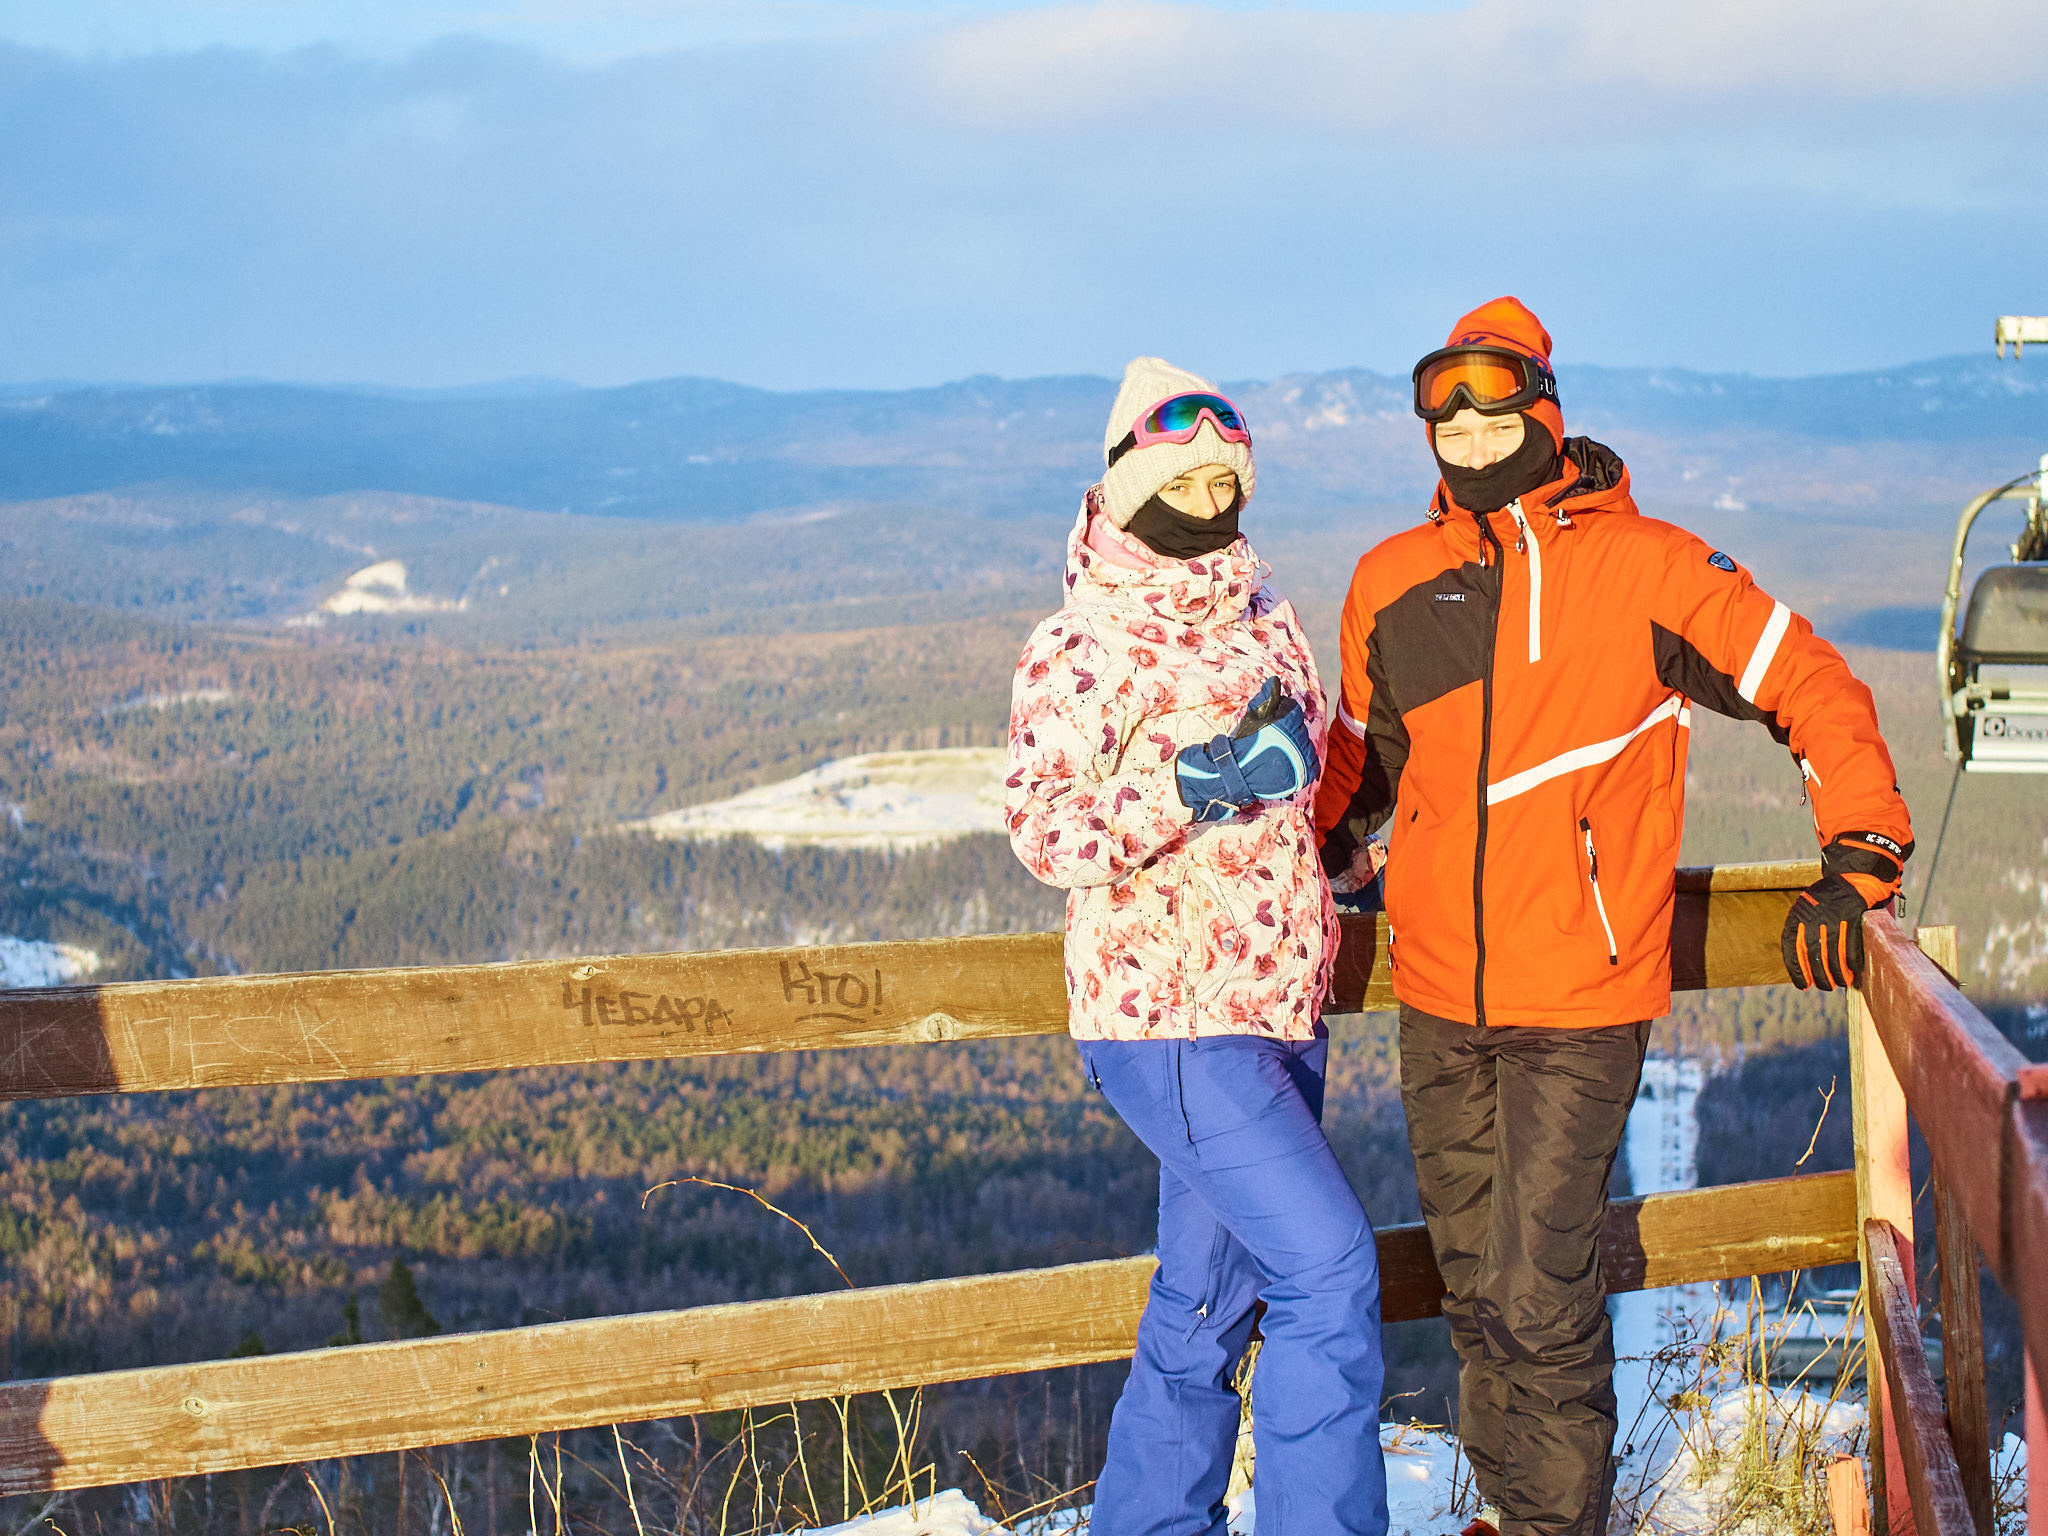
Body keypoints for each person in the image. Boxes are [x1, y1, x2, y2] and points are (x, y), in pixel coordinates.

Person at [1314, 299, 1913, 1536]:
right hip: (1435, 993)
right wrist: (1306, 850)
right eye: (1441, 409)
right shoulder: (1391, 580)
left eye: (1489, 403)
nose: (1466, 434)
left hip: (1578, 996)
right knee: (1476, 1288)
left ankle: (1553, 1528)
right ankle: (1512, 1507)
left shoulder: (1644, 566)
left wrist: (1859, 848)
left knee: (1539, 1289)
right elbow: (1362, 770)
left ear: (1541, 403)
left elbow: (1804, 678)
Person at [1004, 357, 1391, 1536]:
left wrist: (1350, 872)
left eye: (1228, 477)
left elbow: (1301, 802)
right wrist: (1196, 781)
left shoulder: (1266, 616)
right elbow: (1044, 829)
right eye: (1183, 474)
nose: (1209, 496)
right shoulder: (1078, 645)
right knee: (1327, 1275)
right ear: (1122, 483)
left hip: (1275, 1010)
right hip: (1167, 1020)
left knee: (1202, 1308)